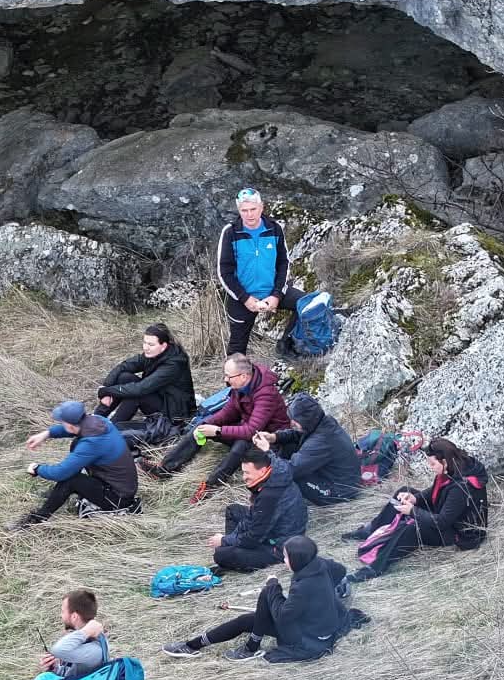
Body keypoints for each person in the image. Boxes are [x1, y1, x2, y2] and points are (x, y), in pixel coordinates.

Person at [163, 536, 357, 663]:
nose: (283, 561)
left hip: (308, 639)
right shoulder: (319, 564)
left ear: (297, 560)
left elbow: (282, 617)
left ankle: (200, 646)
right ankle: (242, 646)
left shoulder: (304, 587)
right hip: (315, 626)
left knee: (259, 604)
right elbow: (340, 570)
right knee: (253, 615)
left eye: (286, 557)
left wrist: (273, 585)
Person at [142, 354, 289, 499]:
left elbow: (251, 431)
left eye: (228, 376)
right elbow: (228, 412)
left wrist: (218, 431)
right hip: (248, 428)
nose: (225, 379)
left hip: (269, 440)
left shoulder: (266, 395)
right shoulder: (241, 386)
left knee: (240, 446)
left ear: (243, 376)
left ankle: (210, 487)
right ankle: (164, 469)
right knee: (201, 427)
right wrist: (207, 424)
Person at [346, 436, 491, 582]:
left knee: (414, 528)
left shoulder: (461, 487)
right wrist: (415, 498)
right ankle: (373, 529)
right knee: (403, 492)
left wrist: (412, 511)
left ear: (445, 462)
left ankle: (375, 567)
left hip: (458, 533)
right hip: (446, 515)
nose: (430, 467)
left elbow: (442, 522)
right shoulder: (455, 467)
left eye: (432, 464)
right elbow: (436, 490)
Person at [8, 401, 139, 531]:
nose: (61, 424)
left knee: (70, 480)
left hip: (117, 498)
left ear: (70, 426)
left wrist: (37, 469)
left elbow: (59, 473)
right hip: (118, 484)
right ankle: (58, 493)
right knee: (76, 444)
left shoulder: (91, 444)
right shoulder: (98, 421)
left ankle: (36, 520)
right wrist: (46, 434)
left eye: (62, 422)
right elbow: (72, 430)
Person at [216, 187, 299, 357]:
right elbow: (224, 272)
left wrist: (276, 294)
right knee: (237, 348)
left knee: (307, 304)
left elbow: (283, 263)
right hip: (242, 297)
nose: (249, 214)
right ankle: (234, 373)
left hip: (272, 291)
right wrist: (245, 298)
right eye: (244, 210)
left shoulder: (274, 228)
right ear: (239, 210)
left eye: (253, 209)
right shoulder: (230, 232)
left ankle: (286, 347)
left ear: (261, 207)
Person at [208, 451, 308, 574]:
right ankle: (233, 550)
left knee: (220, 555)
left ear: (262, 471)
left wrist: (224, 540)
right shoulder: (277, 476)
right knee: (233, 511)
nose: (244, 477)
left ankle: (235, 559)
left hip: (279, 548)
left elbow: (253, 538)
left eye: (247, 473)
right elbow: (252, 518)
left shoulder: (269, 496)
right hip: (273, 530)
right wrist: (230, 540)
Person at [96, 323, 195, 435]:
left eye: (151, 344)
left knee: (136, 396)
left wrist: (107, 391)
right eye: (145, 342)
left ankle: (108, 432)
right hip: (160, 396)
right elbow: (123, 366)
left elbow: (141, 389)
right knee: (124, 377)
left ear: (164, 346)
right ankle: (97, 417)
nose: (145, 347)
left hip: (173, 412)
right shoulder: (153, 353)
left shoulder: (174, 364)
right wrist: (106, 386)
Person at [267, 395, 360, 506]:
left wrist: (267, 452)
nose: (291, 423)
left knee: (290, 476)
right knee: (287, 447)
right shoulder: (323, 422)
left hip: (339, 492)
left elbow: (291, 470)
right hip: (336, 477)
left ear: (306, 420)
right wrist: (275, 437)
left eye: (295, 421)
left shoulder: (322, 440)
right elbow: (299, 435)